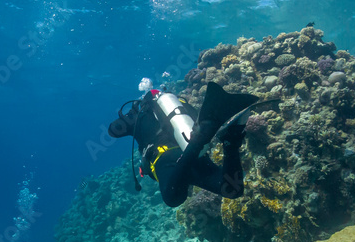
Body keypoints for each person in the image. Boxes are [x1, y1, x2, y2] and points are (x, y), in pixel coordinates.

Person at [107, 80, 266, 207]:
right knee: (232, 189)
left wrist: (132, 112)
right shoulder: (177, 104)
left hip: (166, 159)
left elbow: (112, 131)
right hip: (191, 152)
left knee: (173, 198)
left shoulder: (138, 114)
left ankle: (203, 137)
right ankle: (231, 139)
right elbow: (196, 116)